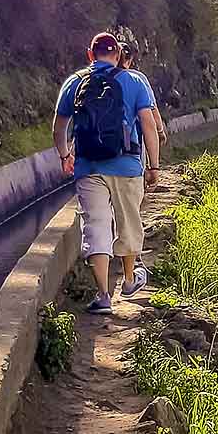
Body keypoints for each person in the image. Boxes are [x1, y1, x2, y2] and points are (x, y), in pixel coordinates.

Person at [52, 31, 160, 314]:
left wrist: (65, 155)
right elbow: (148, 124)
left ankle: (103, 296)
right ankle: (127, 279)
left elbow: (58, 127)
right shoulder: (135, 81)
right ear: (118, 55)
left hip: (88, 166)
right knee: (128, 222)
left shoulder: (74, 83)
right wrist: (154, 166)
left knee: (96, 226)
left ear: (90, 54)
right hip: (126, 165)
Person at [118, 40, 167, 145]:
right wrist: (160, 130)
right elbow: (151, 107)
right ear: (129, 61)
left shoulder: (98, 77)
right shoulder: (137, 78)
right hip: (132, 138)